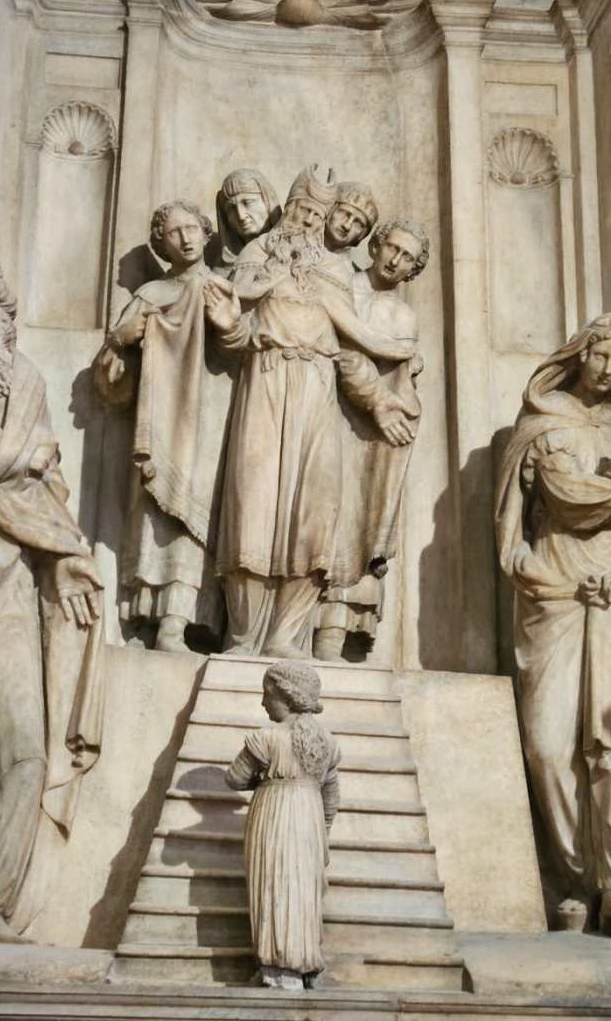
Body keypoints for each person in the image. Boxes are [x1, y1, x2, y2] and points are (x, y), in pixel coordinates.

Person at [205, 165, 414, 658]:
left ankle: (286, 633)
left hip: (318, 388)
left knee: (313, 509)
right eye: (302, 210)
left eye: (317, 215)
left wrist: (379, 399)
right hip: (265, 379)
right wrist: (228, 324)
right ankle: (243, 633)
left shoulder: (336, 272)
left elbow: (354, 347)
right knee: (251, 499)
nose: (308, 221)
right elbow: (238, 331)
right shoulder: (259, 254)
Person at [0, 248, 105, 942]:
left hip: (11, 590)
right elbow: (22, 471)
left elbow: (46, 489)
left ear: (3, 314)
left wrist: (61, 563)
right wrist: (15, 464)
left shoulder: (25, 382)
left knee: (25, 754)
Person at [495, 313, 611, 932]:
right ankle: (573, 874)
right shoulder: (541, 423)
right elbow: (530, 513)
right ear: (580, 353)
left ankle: (606, 885)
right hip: (553, 591)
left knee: (607, 746)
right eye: (602, 355)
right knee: (547, 746)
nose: (609, 370)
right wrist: (529, 570)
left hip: (609, 591)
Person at [94, 200, 233, 652]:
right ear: (161, 242)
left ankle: (180, 621)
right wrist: (122, 339)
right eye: (173, 232)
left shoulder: (221, 288)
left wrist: (228, 327)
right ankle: (144, 618)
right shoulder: (151, 295)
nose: (185, 238)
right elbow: (109, 383)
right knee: (154, 520)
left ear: (206, 232)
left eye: (191, 228)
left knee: (195, 518)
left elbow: (243, 347)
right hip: (159, 424)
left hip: (208, 422)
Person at [315, 219, 429, 660]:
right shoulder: (341, 284)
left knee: (355, 523)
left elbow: (400, 384)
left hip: (366, 438)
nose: (395, 260)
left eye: (407, 257)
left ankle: (333, 634)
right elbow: (338, 348)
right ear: (376, 246)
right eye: (392, 248)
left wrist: (393, 398)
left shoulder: (402, 317)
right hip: (323, 415)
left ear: (413, 270)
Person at [225, 662, 340, 989]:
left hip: (274, 813)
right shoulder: (328, 742)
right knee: (302, 890)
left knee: (274, 884)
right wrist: (323, 832)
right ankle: (301, 965)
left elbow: (234, 779)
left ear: (287, 697)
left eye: (267, 694)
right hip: (309, 817)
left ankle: (276, 968)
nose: (263, 702)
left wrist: (265, 781)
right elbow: (332, 796)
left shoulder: (266, 738)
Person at [214, 168, 281, 274]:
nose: (241, 216)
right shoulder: (221, 271)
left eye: (247, 202)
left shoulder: (291, 250)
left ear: (267, 201)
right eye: (231, 208)